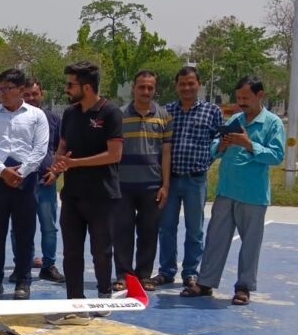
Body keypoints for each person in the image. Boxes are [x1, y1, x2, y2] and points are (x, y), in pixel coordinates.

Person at [181, 76, 285, 305]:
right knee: (215, 239)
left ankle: (243, 287)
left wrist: (249, 144)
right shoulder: (236, 119)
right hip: (226, 190)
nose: (241, 102)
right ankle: (205, 282)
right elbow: (214, 150)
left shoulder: (273, 123)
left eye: (246, 97)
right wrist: (222, 145)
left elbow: (277, 156)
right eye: (238, 98)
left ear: (260, 95)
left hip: (253, 194)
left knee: (250, 244)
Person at [46, 61, 124, 326]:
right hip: (72, 195)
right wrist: (57, 166)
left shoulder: (111, 112)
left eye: (71, 85)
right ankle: (75, 302)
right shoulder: (70, 113)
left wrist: (75, 163)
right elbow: (63, 146)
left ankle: (104, 295)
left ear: (87, 87)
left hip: (102, 195)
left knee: (101, 250)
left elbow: (114, 154)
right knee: (71, 252)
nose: (67, 89)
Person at [0, 68, 48, 300]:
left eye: (8, 88)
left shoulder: (36, 116)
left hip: (25, 181)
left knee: (24, 233)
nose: (3, 93)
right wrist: (2, 171)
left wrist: (23, 172)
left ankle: (23, 281)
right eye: (0, 88)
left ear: (21, 89)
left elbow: (40, 149)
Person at [155, 66, 224, 289]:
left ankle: (191, 273)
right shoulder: (166, 111)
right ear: (176, 86)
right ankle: (166, 271)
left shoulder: (212, 111)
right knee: (166, 227)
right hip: (170, 179)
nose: (186, 88)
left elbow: (219, 142)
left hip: (196, 180)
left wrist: (207, 160)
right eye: (182, 84)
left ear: (199, 85)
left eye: (191, 83)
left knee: (195, 230)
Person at [113, 71, 172, 292]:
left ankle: (144, 275)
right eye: (141, 87)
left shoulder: (164, 117)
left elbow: (166, 153)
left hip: (152, 186)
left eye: (150, 87)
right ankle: (123, 275)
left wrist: (165, 185)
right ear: (134, 88)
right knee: (122, 233)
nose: (145, 91)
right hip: (123, 186)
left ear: (155, 89)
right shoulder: (119, 116)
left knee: (149, 233)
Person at [23, 78, 65, 283]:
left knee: (49, 227)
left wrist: (56, 172)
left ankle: (48, 265)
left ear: (42, 94)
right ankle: (22, 265)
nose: (31, 98)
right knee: (21, 227)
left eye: (35, 94)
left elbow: (61, 149)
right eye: (27, 94)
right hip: (22, 182)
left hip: (45, 182)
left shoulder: (53, 119)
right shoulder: (16, 118)